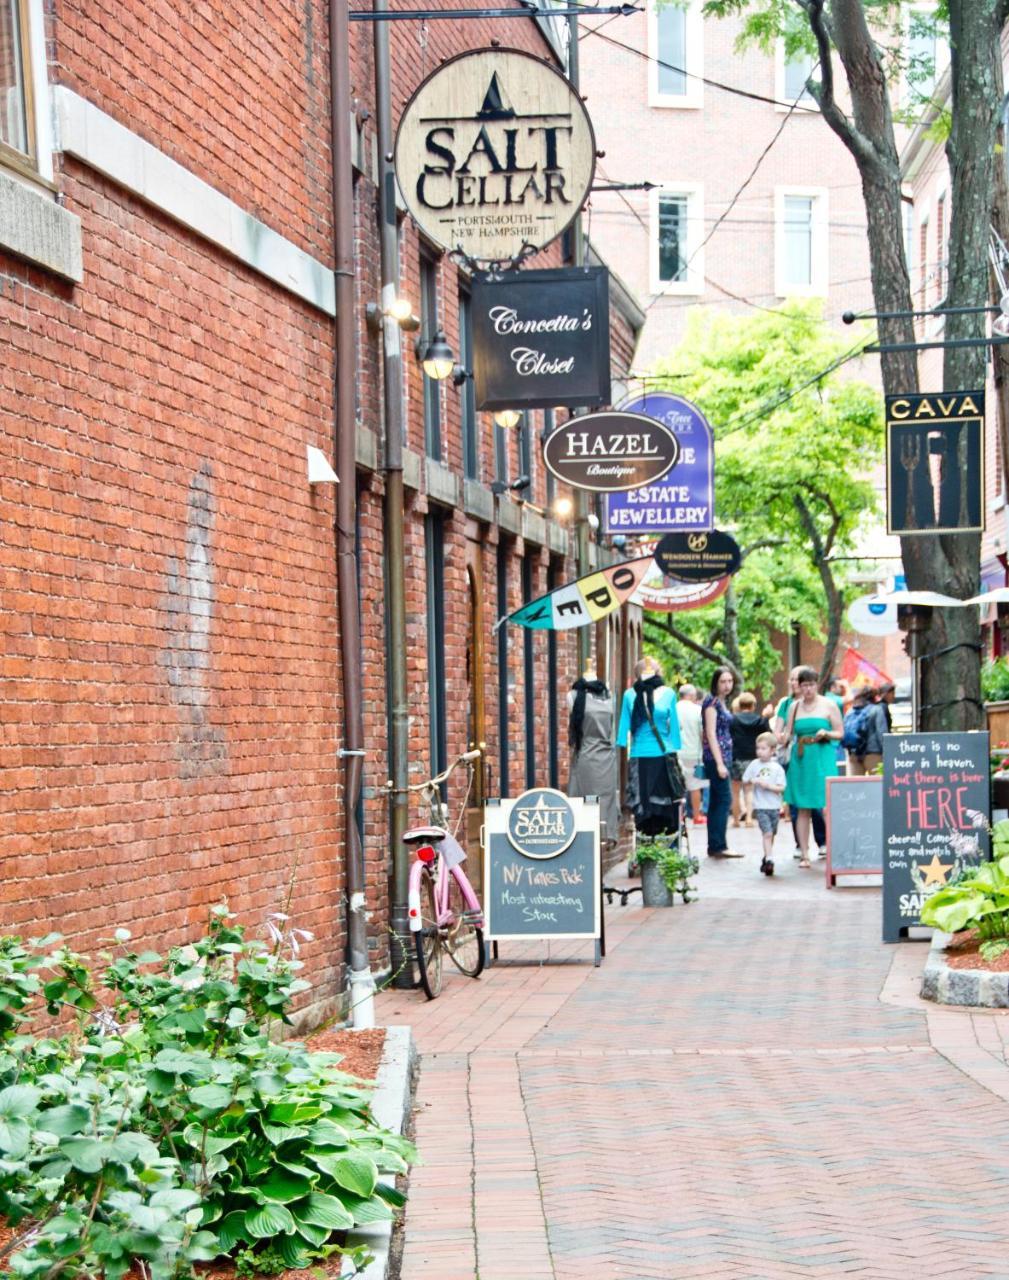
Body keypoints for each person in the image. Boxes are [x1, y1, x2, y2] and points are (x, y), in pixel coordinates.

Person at [781, 666, 842, 868]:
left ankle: (833, 848)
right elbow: (788, 734)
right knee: (803, 807)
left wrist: (827, 733)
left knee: (827, 806)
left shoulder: (829, 705)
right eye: (804, 685)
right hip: (801, 758)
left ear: (817, 685)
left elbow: (840, 732)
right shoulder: (794, 707)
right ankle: (805, 853)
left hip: (822, 756)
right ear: (799, 686)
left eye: (811, 685)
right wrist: (780, 739)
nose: (808, 689)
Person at [617, 656, 683, 837]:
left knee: (665, 807)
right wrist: (621, 741)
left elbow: (674, 725)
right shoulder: (629, 695)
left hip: (664, 755)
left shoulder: (669, 693)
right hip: (640, 756)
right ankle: (646, 849)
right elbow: (624, 724)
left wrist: (677, 745)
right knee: (644, 807)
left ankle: (667, 848)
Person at [773, 666, 828, 857]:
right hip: (794, 755)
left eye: (799, 679)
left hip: (815, 757)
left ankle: (822, 840)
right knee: (797, 803)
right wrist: (778, 738)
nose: (795, 683)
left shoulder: (822, 704)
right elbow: (781, 730)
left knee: (817, 803)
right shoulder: (787, 704)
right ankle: (801, 844)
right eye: (793, 679)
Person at [567, 665, 620, 849]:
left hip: (608, 759)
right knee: (587, 807)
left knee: (605, 808)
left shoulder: (609, 695)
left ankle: (601, 860)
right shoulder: (574, 696)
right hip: (586, 757)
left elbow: (612, 731)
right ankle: (590, 863)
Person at [702, 667, 743, 858]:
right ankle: (718, 845)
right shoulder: (711, 703)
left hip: (724, 756)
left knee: (718, 800)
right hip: (715, 757)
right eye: (723, 682)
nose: (727, 685)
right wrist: (719, 763)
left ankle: (716, 844)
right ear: (715, 683)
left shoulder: (723, 703)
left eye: (729, 681)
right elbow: (710, 733)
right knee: (724, 799)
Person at [743, 732, 787, 877]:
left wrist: (767, 786)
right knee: (767, 833)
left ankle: (766, 856)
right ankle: (770, 860)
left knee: (772, 833)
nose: (760, 752)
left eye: (764, 748)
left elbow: (781, 788)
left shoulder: (777, 768)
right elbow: (745, 779)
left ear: (772, 750)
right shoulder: (754, 765)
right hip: (760, 807)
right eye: (758, 748)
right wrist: (752, 781)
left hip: (774, 807)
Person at [729, 692, 770, 827]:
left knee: (735, 791)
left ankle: (735, 820)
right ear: (753, 706)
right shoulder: (760, 720)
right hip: (753, 758)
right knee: (749, 789)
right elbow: (768, 733)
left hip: (736, 757)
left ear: (740, 706)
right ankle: (749, 819)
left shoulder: (733, 720)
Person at [676, 683, 708, 826]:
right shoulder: (698, 710)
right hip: (694, 753)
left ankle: (679, 817)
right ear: (690, 696)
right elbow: (703, 733)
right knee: (695, 786)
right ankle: (696, 816)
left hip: (676, 753)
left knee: (677, 786)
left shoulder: (673, 709)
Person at [849, 684, 891, 775]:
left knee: (856, 786)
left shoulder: (851, 711)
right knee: (878, 783)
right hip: (873, 753)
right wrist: (887, 752)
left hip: (854, 754)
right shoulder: (877, 709)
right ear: (874, 697)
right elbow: (882, 733)